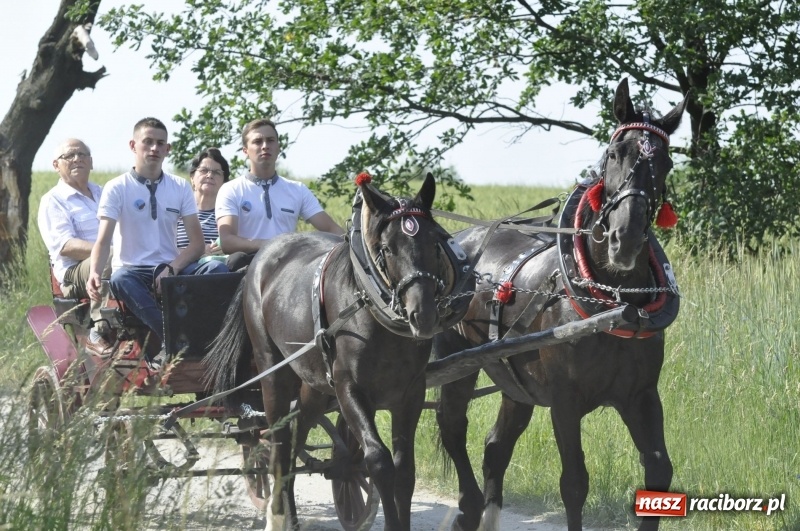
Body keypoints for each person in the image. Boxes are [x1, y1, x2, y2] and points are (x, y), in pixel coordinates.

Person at [86, 117, 206, 368]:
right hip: (133, 270)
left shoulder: (180, 186)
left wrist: (172, 268)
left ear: (167, 149)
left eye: (160, 143)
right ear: (133, 145)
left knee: (217, 270)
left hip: (171, 266)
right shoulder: (117, 187)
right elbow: (103, 239)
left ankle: (216, 341)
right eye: (147, 142)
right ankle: (171, 337)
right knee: (119, 279)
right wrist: (94, 272)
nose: (154, 148)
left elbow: (197, 244)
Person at [216, 118, 344, 270]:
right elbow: (227, 241)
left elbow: (333, 230)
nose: (265, 146)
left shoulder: (297, 189)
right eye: (257, 142)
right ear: (245, 151)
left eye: (270, 140)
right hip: (249, 265)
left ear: (278, 147)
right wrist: (272, 245)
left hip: (290, 265)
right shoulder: (231, 189)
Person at [37, 138, 111, 352]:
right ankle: (97, 331)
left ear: (91, 162)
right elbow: (66, 246)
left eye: (82, 154)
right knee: (109, 257)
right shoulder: (53, 200)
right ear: (56, 165)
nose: (77, 159)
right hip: (73, 274)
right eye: (69, 155)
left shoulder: (105, 193)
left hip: (117, 262)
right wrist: (108, 250)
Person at [176, 148, 230, 274]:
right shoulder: (175, 211)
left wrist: (227, 249)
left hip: (219, 272)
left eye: (216, 172)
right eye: (204, 170)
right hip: (177, 272)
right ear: (192, 177)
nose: (210, 175)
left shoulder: (228, 217)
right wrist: (197, 252)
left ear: (224, 182)